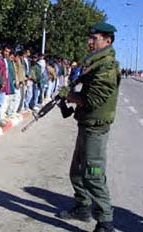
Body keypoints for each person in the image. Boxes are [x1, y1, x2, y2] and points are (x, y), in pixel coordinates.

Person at [58, 23, 120, 232]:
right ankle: (82, 207)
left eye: (95, 38)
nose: (89, 42)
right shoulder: (94, 63)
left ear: (107, 41)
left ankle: (105, 222)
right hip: (86, 124)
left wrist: (69, 96)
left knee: (93, 173)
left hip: (96, 128)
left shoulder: (107, 66)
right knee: (76, 172)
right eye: (90, 38)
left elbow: (93, 99)